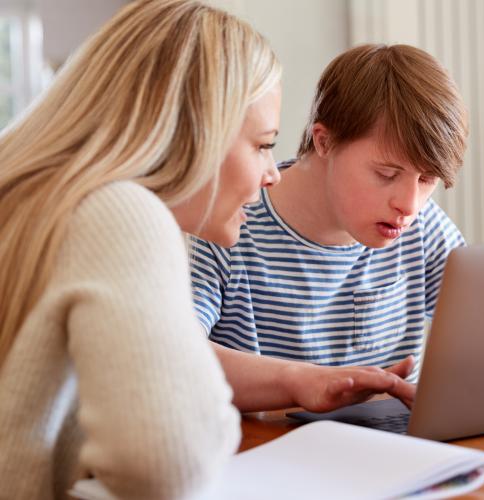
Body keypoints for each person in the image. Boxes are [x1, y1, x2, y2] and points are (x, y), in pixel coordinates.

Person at [0, 2, 415, 498]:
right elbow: (171, 460)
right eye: (263, 144)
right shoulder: (120, 216)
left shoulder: (37, 200)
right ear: (192, 131)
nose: (272, 172)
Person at [191, 43, 468, 383]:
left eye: (427, 179)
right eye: (386, 174)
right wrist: (301, 382)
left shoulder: (424, 229)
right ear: (324, 142)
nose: (410, 205)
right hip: (270, 435)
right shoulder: (229, 223)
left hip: (393, 435)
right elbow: (176, 351)